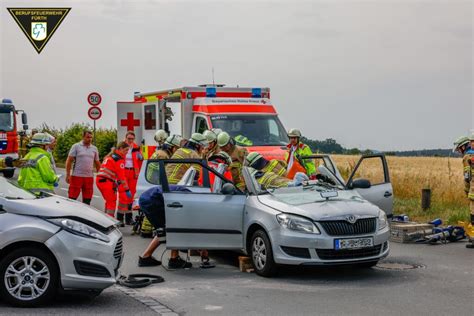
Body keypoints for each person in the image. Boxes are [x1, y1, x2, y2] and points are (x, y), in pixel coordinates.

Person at [164, 133, 208, 269]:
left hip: (167, 186)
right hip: (178, 189)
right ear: (198, 145)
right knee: (181, 223)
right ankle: (176, 259)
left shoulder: (179, 150)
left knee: (174, 224)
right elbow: (197, 175)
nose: (203, 148)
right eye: (202, 146)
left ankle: (174, 257)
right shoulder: (193, 155)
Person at [96, 142, 132, 222]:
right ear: (120, 149)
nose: (127, 152)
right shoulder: (118, 159)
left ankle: (105, 220)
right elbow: (122, 177)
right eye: (126, 150)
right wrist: (127, 189)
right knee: (112, 202)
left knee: (109, 201)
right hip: (106, 182)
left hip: (101, 180)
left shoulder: (111, 156)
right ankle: (109, 222)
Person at [65, 130, 101, 205]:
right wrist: (68, 174)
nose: (90, 139)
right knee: (72, 198)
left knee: (87, 201)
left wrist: (100, 176)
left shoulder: (94, 148)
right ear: (83, 137)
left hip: (89, 177)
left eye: (91, 137)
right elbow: (69, 160)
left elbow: (97, 163)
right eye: (88, 137)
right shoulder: (76, 146)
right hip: (77, 176)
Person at [123, 131, 144, 224]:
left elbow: (141, 160)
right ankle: (120, 217)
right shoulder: (121, 147)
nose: (130, 140)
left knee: (130, 196)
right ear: (125, 138)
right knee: (123, 195)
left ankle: (128, 218)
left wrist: (141, 156)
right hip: (123, 172)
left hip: (133, 173)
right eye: (129, 139)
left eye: (132, 139)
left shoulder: (136, 148)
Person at [462, 135, 474, 249]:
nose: (471, 144)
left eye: (472, 142)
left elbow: (467, 176)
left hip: (473, 190)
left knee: (473, 214)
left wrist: (466, 190)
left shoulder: (468, 157)